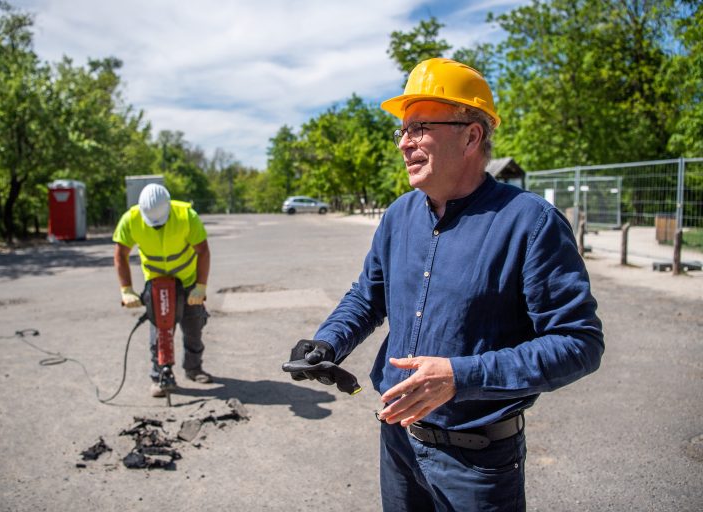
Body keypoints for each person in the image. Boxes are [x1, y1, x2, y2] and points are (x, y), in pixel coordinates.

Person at [284, 58, 604, 511]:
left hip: (478, 464)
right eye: (402, 131)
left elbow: (579, 343)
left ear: (471, 135)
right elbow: (367, 296)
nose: (404, 144)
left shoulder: (529, 223)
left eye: (419, 128)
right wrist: (328, 342)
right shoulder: (399, 215)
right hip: (398, 444)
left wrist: (459, 377)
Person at [113, 183, 213, 398]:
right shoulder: (131, 219)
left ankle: (193, 368)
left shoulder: (186, 215)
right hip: (157, 282)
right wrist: (126, 289)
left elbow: (203, 251)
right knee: (159, 333)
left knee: (194, 327)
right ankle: (160, 376)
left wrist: (200, 287)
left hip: (187, 282)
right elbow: (120, 254)